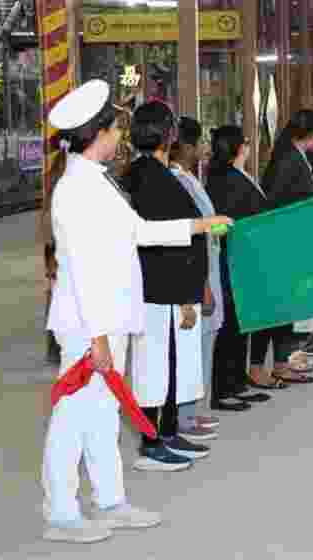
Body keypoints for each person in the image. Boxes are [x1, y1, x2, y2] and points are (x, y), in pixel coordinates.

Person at [41, 79, 232, 543]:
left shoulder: (95, 182)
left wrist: (198, 224)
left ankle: (110, 501)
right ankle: (61, 513)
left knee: (103, 417)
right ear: (98, 135)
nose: (119, 139)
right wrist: (98, 338)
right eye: (114, 131)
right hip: (91, 326)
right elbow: (82, 269)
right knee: (73, 420)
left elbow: (139, 232)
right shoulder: (76, 190)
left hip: (110, 320)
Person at [126, 101, 218, 471]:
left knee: (170, 366)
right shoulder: (150, 178)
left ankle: (166, 433)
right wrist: (185, 295)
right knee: (154, 368)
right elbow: (161, 240)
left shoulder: (152, 174)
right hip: (159, 291)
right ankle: (151, 442)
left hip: (169, 289)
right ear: (169, 135)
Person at [205, 125, 282, 408]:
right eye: (246, 142)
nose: (249, 146)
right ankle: (224, 389)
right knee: (230, 326)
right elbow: (236, 219)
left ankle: (236, 382)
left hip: (245, 260)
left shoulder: (235, 175)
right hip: (233, 260)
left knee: (240, 323)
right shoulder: (225, 179)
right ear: (237, 148)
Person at [250, 110, 313, 382]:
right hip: (282, 242)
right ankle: (264, 365)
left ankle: (281, 362)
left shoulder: (296, 156)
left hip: (292, 241)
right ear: (308, 134)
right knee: (276, 308)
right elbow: (273, 201)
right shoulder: (288, 159)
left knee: (286, 307)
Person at [169, 116, 224, 434]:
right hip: (199, 275)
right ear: (186, 147)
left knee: (203, 343)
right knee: (193, 346)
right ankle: (185, 416)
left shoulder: (189, 179)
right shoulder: (179, 182)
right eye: (200, 143)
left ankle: (192, 411)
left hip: (208, 267)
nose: (205, 148)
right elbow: (195, 231)